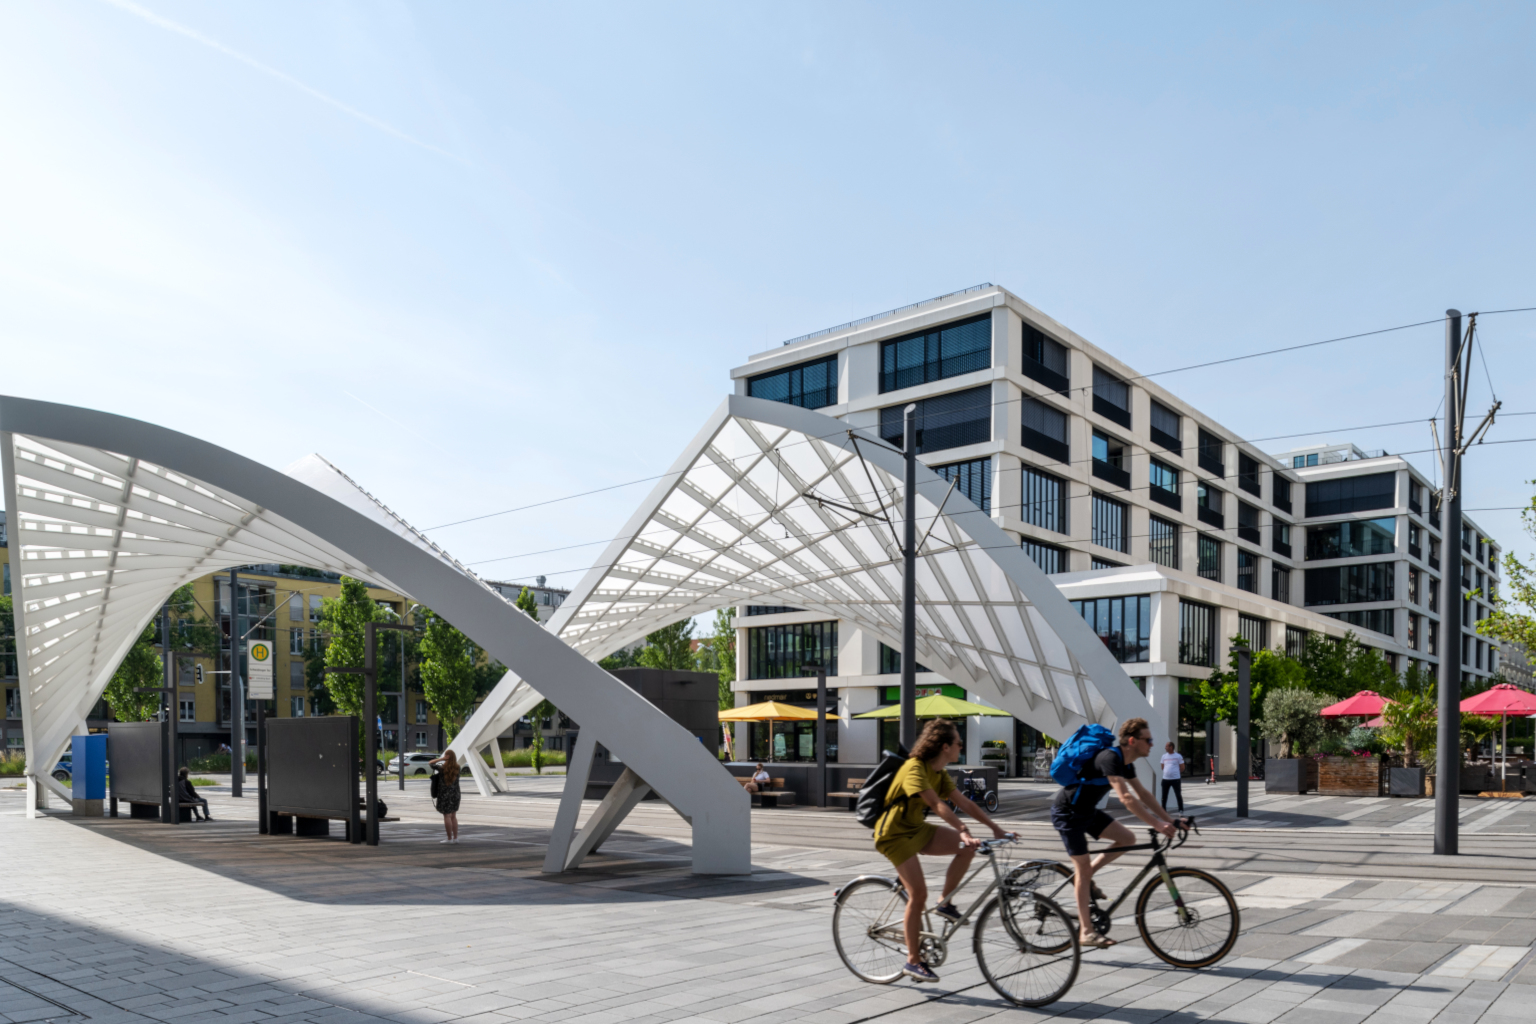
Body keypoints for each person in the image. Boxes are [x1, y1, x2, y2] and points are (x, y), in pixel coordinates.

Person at [873, 719, 1011, 984]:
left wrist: (996, 829)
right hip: (894, 835)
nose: (961, 746)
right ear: (945, 746)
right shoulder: (915, 768)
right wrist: (962, 829)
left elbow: (964, 802)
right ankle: (913, 961)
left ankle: (944, 903)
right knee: (918, 893)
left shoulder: (939, 771)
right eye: (959, 742)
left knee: (968, 849)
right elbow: (935, 804)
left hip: (917, 829)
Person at [1051, 718, 1185, 948]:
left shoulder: (1126, 763)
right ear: (1132, 740)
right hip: (1068, 813)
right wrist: (1156, 824)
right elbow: (1126, 798)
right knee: (1081, 867)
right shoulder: (1110, 758)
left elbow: (1143, 794)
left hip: (1086, 812)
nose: (1152, 744)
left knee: (1127, 839)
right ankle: (1086, 932)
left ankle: (1085, 879)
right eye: (1148, 739)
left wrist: (1170, 819)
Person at [429, 751, 462, 844]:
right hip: (456, 794)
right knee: (454, 816)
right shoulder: (458, 767)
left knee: (447, 816)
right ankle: (455, 838)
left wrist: (442, 759)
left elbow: (430, 763)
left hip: (444, 794)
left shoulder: (442, 768)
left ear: (447, 757)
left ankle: (449, 838)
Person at [1159, 742, 1185, 812]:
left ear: (1171, 747)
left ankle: (1180, 810)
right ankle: (1163, 810)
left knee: (1178, 795)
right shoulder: (1164, 756)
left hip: (1175, 779)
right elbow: (1162, 767)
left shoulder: (1178, 756)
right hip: (1165, 779)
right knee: (1164, 796)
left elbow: (1182, 767)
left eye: (1166, 746)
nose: (1165, 748)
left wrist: (1175, 773)